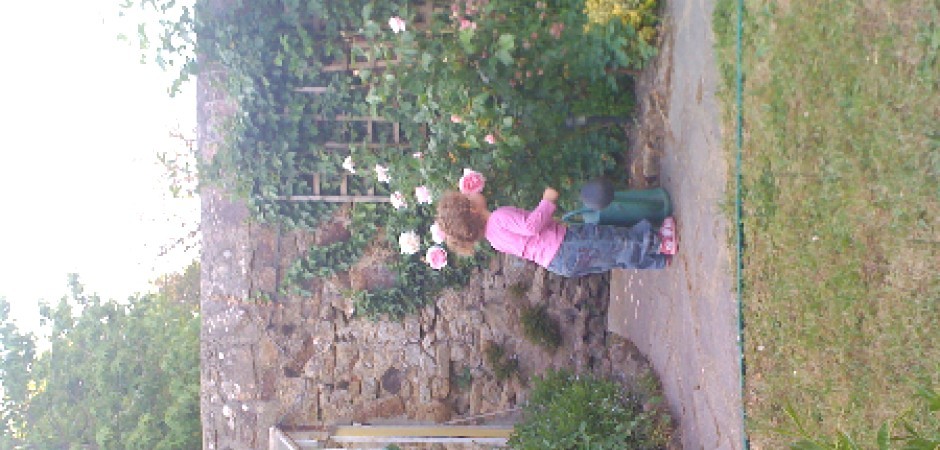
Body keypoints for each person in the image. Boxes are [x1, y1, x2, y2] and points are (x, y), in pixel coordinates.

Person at [435, 187, 677, 278]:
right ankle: (660, 243)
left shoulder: (493, 239)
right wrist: (547, 201)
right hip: (566, 245)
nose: (471, 193)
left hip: (560, 264)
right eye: (467, 198)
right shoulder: (499, 218)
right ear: (473, 210)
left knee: (612, 257)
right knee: (613, 241)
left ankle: (657, 261)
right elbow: (531, 227)